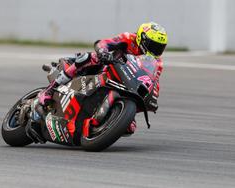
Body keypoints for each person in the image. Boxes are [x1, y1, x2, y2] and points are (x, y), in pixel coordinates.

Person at [27, 22, 168, 143]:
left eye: (160, 47)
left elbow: (152, 80)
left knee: (130, 127)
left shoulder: (157, 62)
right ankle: (50, 90)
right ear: (142, 39)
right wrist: (103, 52)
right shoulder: (128, 38)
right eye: (153, 45)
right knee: (88, 58)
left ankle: (101, 120)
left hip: (124, 82)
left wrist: (153, 96)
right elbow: (104, 43)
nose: (156, 50)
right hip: (107, 66)